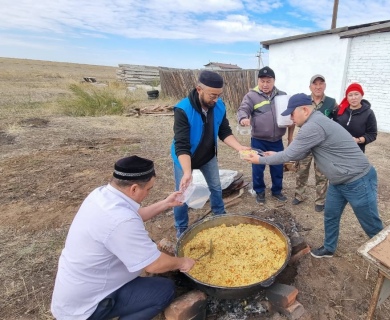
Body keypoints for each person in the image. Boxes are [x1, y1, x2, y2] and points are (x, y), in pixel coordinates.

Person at [51, 155, 196, 320]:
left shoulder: (101, 195)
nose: (148, 193)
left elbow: (135, 215)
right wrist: (183, 262)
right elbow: (154, 265)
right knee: (164, 290)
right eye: (148, 189)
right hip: (87, 307)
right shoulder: (120, 220)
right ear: (134, 189)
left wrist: (165, 203)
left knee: (147, 247)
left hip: (76, 291)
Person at [245, 94, 384, 258]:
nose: (290, 119)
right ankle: (329, 248)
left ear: (304, 110)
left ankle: (389, 260)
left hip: (357, 181)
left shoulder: (313, 125)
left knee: (372, 226)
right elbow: (299, 153)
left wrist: (260, 159)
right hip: (338, 181)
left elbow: (290, 154)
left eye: (292, 114)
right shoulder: (315, 121)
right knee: (331, 215)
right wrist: (277, 153)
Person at [171, 70, 248, 238]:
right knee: (182, 193)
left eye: (219, 95)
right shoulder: (183, 109)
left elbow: (224, 131)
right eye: (212, 95)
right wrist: (186, 172)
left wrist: (240, 147)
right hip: (185, 158)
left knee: (215, 187)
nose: (216, 99)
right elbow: (182, 145)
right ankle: (181, 228)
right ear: (199, 89)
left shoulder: (219, 106)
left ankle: (219, 216)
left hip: (207, 156)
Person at [237, 66, 294, 204]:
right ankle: (260, 192)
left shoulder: (282, 95)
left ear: (274, 81)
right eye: (262, 81)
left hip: (277, 140)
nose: (265, 84)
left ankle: (277, 191)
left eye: (268, 81)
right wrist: (243, 118)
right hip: (258, 140)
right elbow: (243, 109)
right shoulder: (251, 96)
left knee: (277, 167)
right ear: (258, 81)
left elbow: (289, 112)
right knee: (257, 168)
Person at [292, 74, 337, 212]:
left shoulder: (332, 102)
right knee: (301, 170)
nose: (318, 87)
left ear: (325, 85)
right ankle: (300, 195)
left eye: (321, 83)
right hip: (306, 142)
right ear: (310, 86)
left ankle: (320, 200)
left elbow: (338, 122)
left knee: (322, 173)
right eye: (315, 84)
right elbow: (297, 119)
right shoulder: (304, 101)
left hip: (323, 145)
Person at [333, 83, 377, 153]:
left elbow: (372, 134)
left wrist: (358, 140)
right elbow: (333, 127)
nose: (353, 98)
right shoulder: (340, 110)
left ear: (361, 95)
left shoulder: (368, 113)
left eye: (356, 94)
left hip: (356, 151)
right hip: (337, 148)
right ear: (347, 97)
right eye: (350, 95)